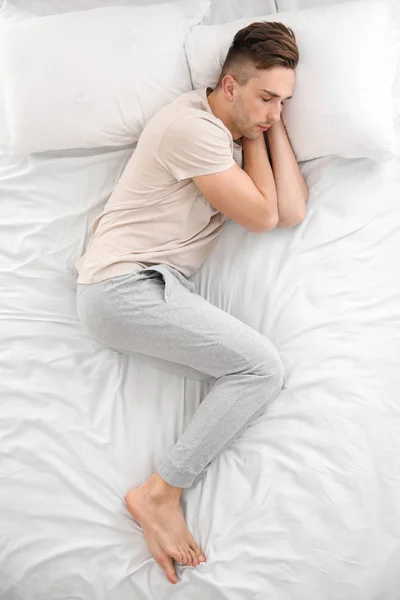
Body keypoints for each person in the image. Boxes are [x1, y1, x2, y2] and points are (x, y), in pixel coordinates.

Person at [75, 21, 308, 585]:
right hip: (122, 287)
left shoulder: (232, 130)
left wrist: (261, 125)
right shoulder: (194, 129)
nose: (276, 113)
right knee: (261, 368)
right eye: (265, 97)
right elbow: (261, 217)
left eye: (285, 102)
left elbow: (292, 212)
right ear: (228, 85)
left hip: (147, 285)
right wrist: (253, 134)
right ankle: (158, 493)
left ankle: (159, 493)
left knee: (256, 369)